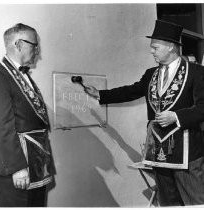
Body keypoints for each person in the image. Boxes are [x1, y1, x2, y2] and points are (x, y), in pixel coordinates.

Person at [84, 19, 204, 206]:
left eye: (155, 47)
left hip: (187, 153)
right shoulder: (151, 74)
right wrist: (100, 94)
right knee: (168, 202)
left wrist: (177, 116)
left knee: (195, 202)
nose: (151, 51)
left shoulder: (197, 72)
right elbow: (131, 91)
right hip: (158, 149)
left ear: (171, 47)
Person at [0, 23, 55, 207]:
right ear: (19, 44)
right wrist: (17, 168)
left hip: (36, 165)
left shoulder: (22, 76)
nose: (38, 51)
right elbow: (1, 127)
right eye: (34, 45)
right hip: (18, 170)